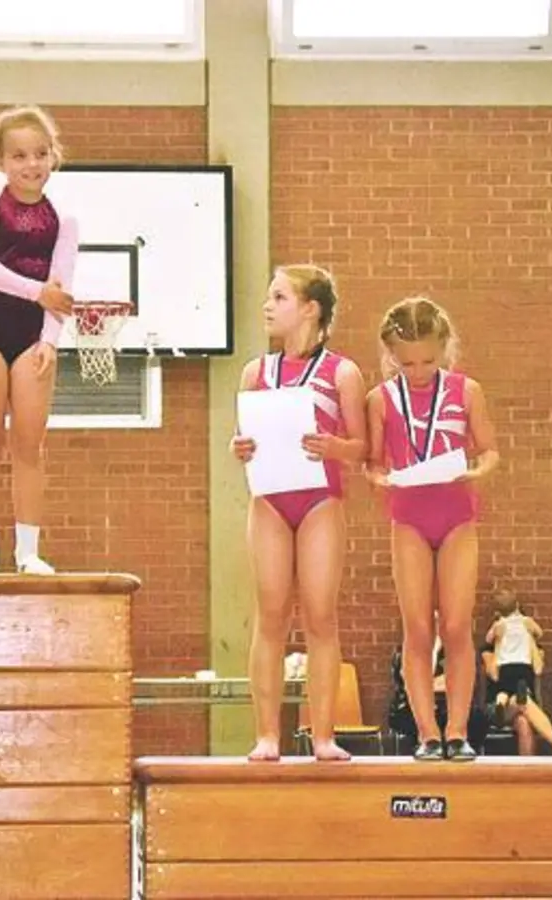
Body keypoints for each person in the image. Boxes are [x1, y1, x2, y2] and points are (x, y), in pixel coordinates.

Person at [231, 265, 367, 761]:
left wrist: (335, 445)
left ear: (310, 309)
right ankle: (267, 734)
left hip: (319, 500)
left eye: (279, 297)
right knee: (269, 614)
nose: (267, 306)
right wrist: (239, 446)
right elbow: (244, 439)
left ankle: (323, 736)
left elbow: (363, 448)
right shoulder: (255, 372)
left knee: (320, 617)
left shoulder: (342, 372)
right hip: (269, 498)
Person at [366, 296, 499, 761]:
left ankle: (458, 731)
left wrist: (477, 473)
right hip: (409, 519)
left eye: (427, 360)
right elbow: (374, 462)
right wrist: (379, 478)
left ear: (444, 350)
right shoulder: (381, 399)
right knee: (418, 628)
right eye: (406, 363)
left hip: (458, 515)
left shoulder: (467, 391)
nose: (418, 370)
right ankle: (426, 733)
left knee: (458, 625)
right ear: (390, 356)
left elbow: (490, 451)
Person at [0, 105, 79, 576]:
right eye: (19, 156)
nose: (32, 165)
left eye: (41, 154)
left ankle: (28, 551)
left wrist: (50, 338)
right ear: (1, 161)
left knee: (30, 446)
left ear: (54, 157)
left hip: (33, 337)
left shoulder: (63, 219)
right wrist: (37, 292)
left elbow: (62, 287)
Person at [485, 595, 552, 756]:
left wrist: (529, 640)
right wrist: (499, 643)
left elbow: (538, 669)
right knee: (523, 701)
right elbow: (494, 676)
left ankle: (524, 771)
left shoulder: (530, 646)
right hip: (497, 707)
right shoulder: (487, 651)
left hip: (522, 706)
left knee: (523, 720)